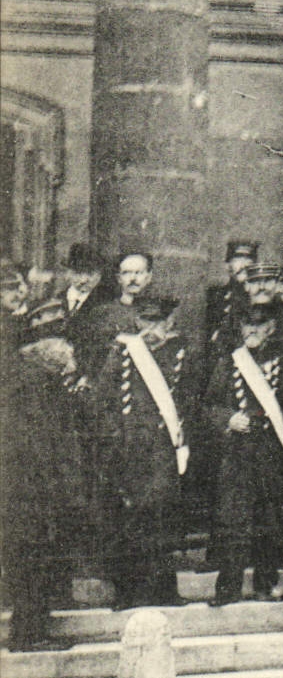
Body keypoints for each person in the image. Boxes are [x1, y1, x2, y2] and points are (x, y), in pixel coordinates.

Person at [91, 295, 193, 610]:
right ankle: (126, 592)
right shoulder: (122, 353)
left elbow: (189, 401)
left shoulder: (182, 354)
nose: (151, 329)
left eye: (157, 322)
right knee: (127, 519)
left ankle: (164, 589)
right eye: (145, 321)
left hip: (163, 450)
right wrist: (115, 437)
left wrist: (182, 440)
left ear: (170, 323)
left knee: (162, 518)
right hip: (127, 448)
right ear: (136, 322)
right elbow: (103, 400)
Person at [1, 302, 92, 650]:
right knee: (32, 564)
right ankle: (29, 635)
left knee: (33, 563)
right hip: (33, 496)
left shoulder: (32, 381)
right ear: (48, 351)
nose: (71, 353)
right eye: (66, 347)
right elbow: (42, 446)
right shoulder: (36, 386)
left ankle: (33, 632)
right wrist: (62, 491)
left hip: (30, 495)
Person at [202, 303, 283, 605]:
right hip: (237, 456)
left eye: (260, 323)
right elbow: (209, 407)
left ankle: (266, 584)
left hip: (271, 456)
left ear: (271, 328)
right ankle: (227, 588)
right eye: (247, 324)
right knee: (233, 523)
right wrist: (228, 418)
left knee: (270, 523)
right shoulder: (228, 365)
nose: (252, 329)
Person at [78, 250, 154, 357]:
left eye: (139, 272)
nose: (132, 278)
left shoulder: (159, 313)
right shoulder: (102, 313)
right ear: (119, 278)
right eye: (126, 273)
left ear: (149, 277)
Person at [203, 240, 257, 360]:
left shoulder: (258, 297)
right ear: (227, 266)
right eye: (237, 260)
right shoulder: (216, 296)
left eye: (248, 261)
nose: (243, 266)